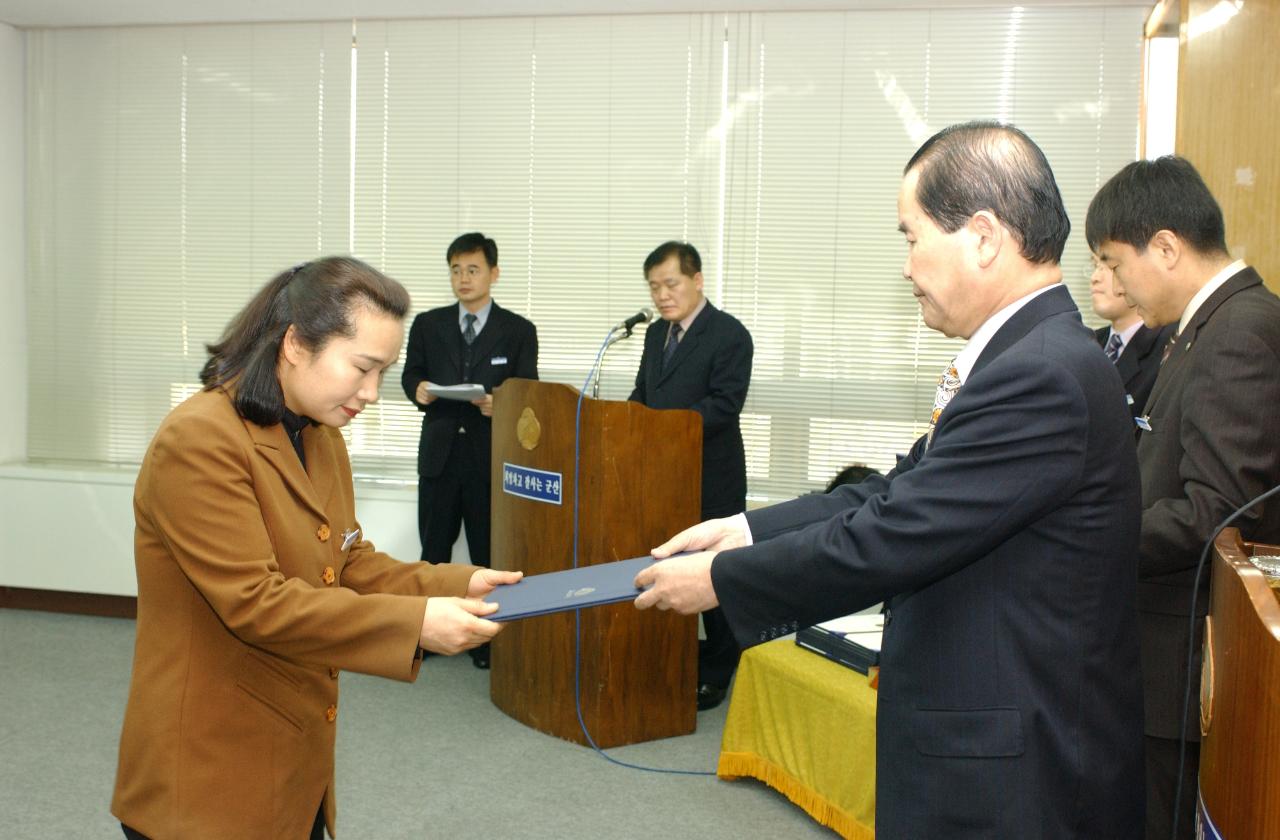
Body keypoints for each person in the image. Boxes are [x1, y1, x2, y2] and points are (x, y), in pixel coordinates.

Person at [635, 122, 1145, 838]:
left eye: (911, 237)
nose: (906, 267)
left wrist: (725, 578)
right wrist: (746, 528)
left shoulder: (1040, 373)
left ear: (984, 236)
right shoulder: (1028, 354)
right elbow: (891, 490)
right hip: (988, 735)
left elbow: (893, 534)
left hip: (1014, 773)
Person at [111, 257, 521, 840]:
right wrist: (416, 623)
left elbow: (347, 561)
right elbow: (257, 603)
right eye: (362, 368)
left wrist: (460, 583)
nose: (373, 394)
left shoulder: (319, 435)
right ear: (296, 344)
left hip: (292, 754)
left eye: (384, 372)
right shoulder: (199, 439)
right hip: (208, 771)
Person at [1086, 156, 1280, 840]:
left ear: (1166, 247)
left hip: (1185, 662)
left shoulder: (1239, 332)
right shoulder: (1204, 329)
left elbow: (1220, 514)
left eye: (1116, 261)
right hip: (1161, 647)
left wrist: (1087, 535)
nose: (1117, 283)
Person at [400, 233, 538, 669]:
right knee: (434, 552)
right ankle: (429, 635)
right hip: (439, 456)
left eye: (473, 269)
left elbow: (528, 392)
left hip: (487, 459)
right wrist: (418, 389)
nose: (463, 278)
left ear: (494, 274)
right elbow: (411, 376)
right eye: (456, 270)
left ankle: (484, 640)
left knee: (486, 554)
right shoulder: (428, 324)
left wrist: (504, 404)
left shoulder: (518, 331)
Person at [628, 240, 753, 712]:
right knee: (665, 566)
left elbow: (724, 405)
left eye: (671, 284)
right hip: (659, 474)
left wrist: (662, 429)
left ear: (697, 281)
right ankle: (673, 657)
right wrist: (623, 424)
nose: (661, 295)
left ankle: (720, 668)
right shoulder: (654, 335)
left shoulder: (729, 334)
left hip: (710, 475)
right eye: (654, 286)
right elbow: (643, 393)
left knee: (713, 572)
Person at [1087, 252, 1173, 423]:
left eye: (1110, 267)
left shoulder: (1169, 347)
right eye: (1095, 266)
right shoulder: (1089, 342)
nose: (1095, 278)